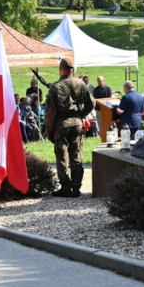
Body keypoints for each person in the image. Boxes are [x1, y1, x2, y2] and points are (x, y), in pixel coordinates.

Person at [44, 57, 94, 197]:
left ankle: (66, 187)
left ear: (61, 69)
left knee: (62, 157)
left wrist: (48, 130)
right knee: (76, 155)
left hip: (62, 125)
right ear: (73, 70)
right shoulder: (80, 83)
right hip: (77, 124)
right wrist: (81, 115)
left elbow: (50, 112)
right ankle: (76, 188)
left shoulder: (56, 87)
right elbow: (91, 103)